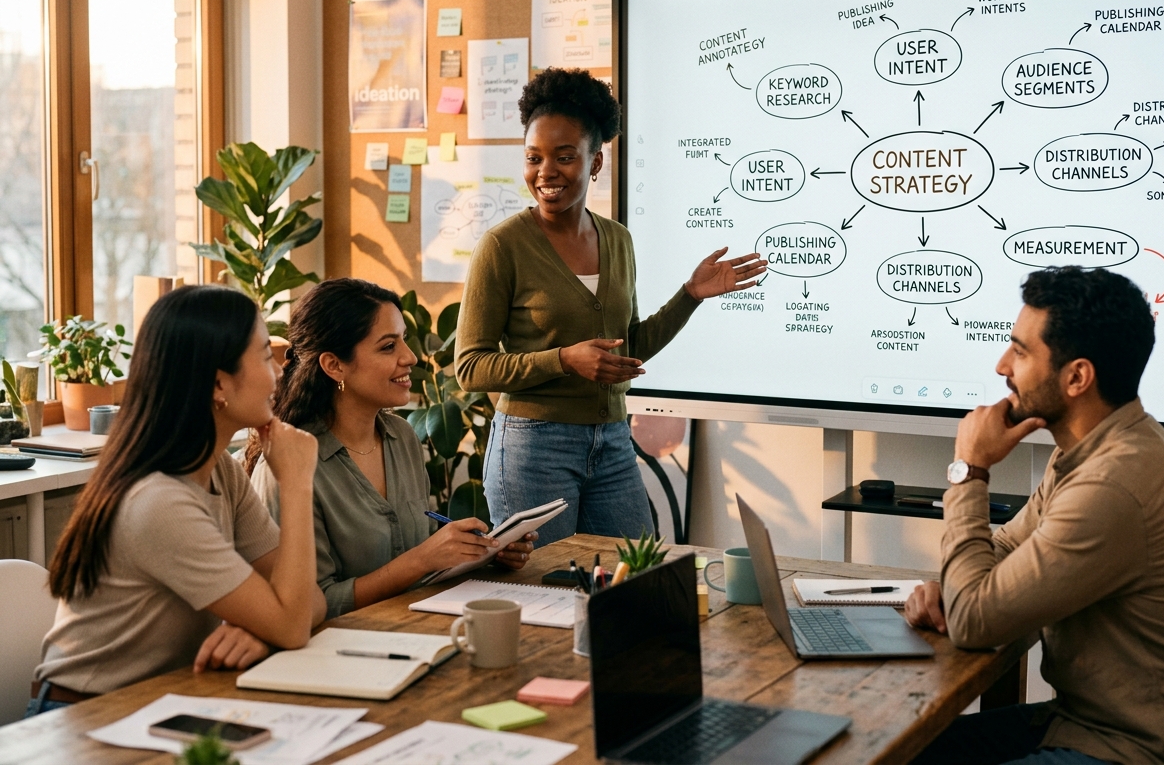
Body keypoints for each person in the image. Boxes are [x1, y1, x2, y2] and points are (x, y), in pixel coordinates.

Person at [456, 68, 767, 545]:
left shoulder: (617, 240)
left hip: (613, 440)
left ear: (595, 161)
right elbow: (470, 367)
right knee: (546, 589)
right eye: (533, 158)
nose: (546, 173)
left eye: (564, 157)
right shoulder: (502, 246)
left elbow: (628, 348)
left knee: (635, 577)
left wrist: (690, 297)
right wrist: (563, 360)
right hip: (532, 446)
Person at [904, 267, 1164, 765]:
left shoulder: (1114, 485)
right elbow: (1004, 551)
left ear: (1077, 376)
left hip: (1119, 750)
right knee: (897, 752)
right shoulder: (1094, 449)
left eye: (1020, 352)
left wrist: (970, 469)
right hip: (1076, 722)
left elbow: (977, 620)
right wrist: (947, 589)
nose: (1002, 366)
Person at [29, 286, 326, 716]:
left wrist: (265, 631)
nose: (279, 372)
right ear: (219, 383)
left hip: (158, 703)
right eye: (265, 356)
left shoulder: (218, 471)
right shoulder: (159, 501)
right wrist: (297, 483)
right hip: (81, 719)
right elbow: (295, 622)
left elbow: (307, 599)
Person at [247, 278, 534, 619]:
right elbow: (312, 605)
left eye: (404, 341)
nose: (410, 357)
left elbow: (420, 544)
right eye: (388, 347)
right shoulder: (287, 466)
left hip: (416, 630)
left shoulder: (402, 437)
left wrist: (482, 551)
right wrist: (421, 560)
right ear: (334, 365)